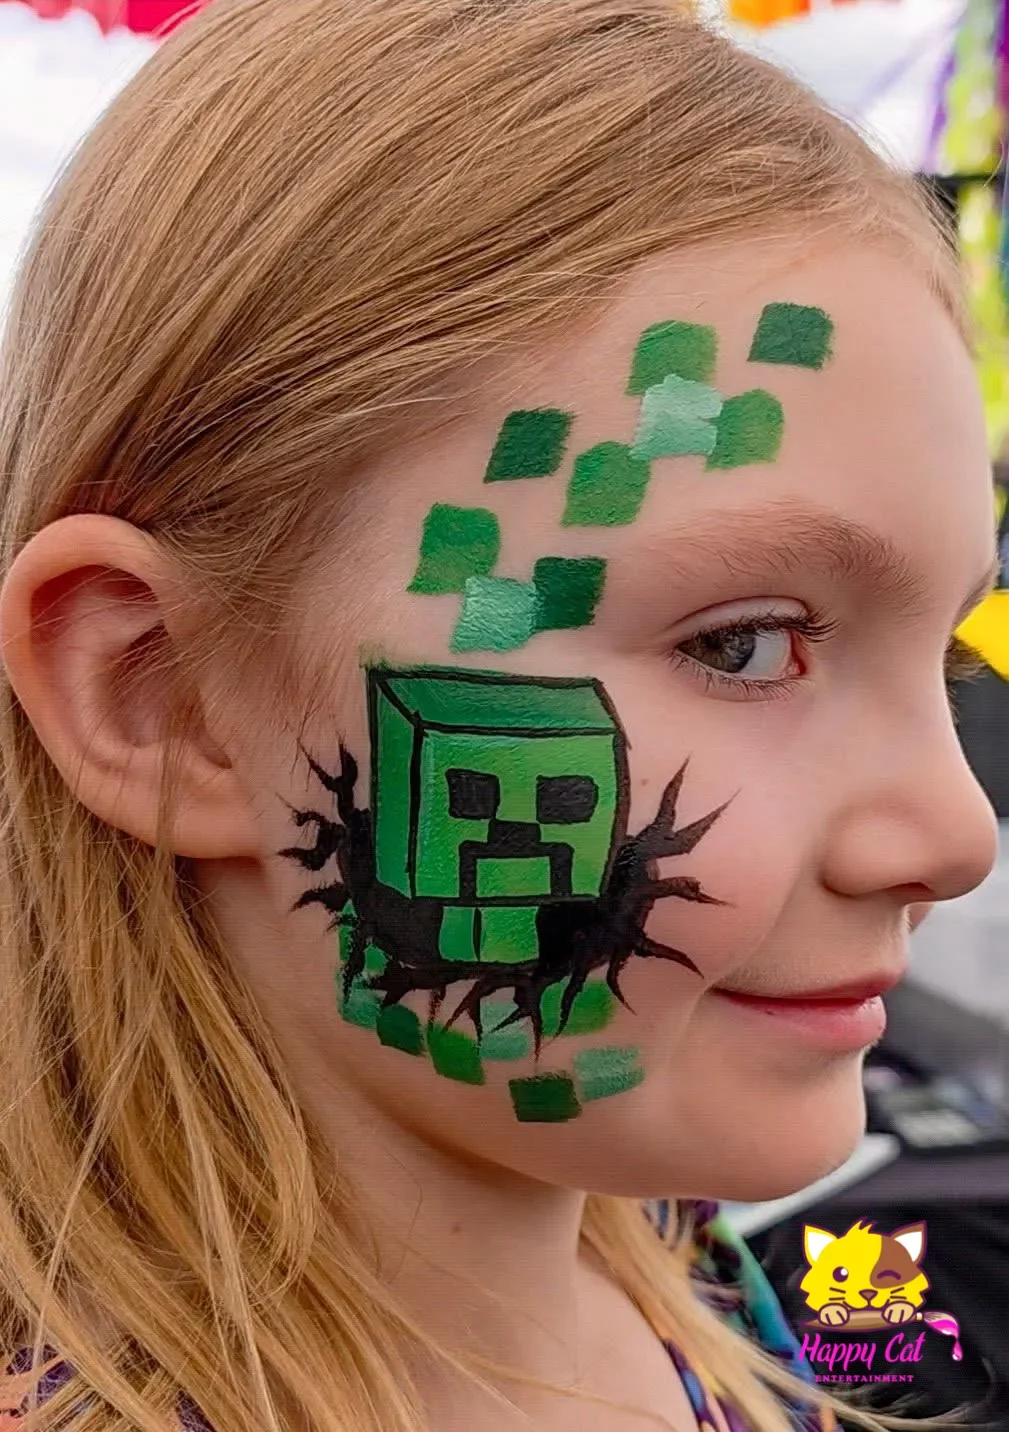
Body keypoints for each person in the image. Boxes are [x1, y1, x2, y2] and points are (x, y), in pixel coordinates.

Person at [0, 1, 999, 1429]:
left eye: (948, 658)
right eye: (745, 641)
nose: (956, 834)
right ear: (165, 696)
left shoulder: (689, 1268)